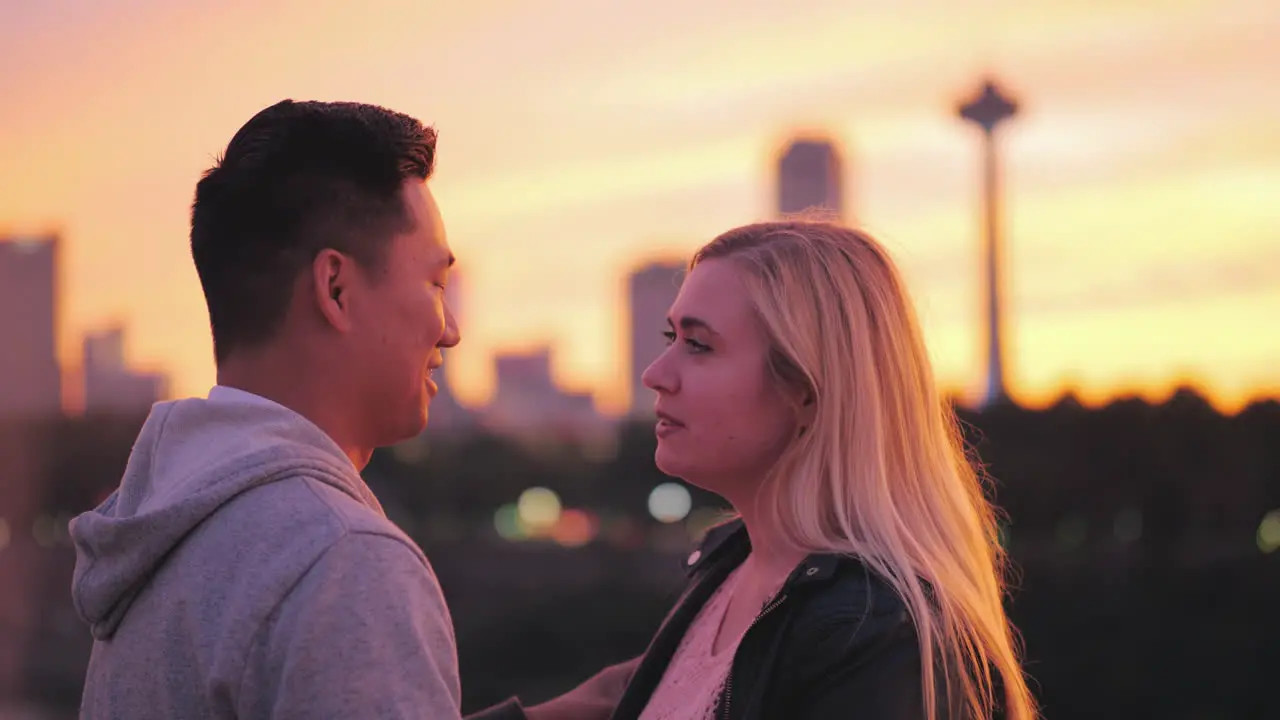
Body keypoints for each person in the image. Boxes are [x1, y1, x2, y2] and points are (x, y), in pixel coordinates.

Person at [511, 220, 1038, 719]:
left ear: (807, 393)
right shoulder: (733, 565)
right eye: (671, 338)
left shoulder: (873, 634)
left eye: (698, 345)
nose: (655, 374)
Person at [67, 99, 490, 719]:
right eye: (435, 284)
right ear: (336, 289)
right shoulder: (343, 560)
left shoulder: (163, 532)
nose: (450, 330)